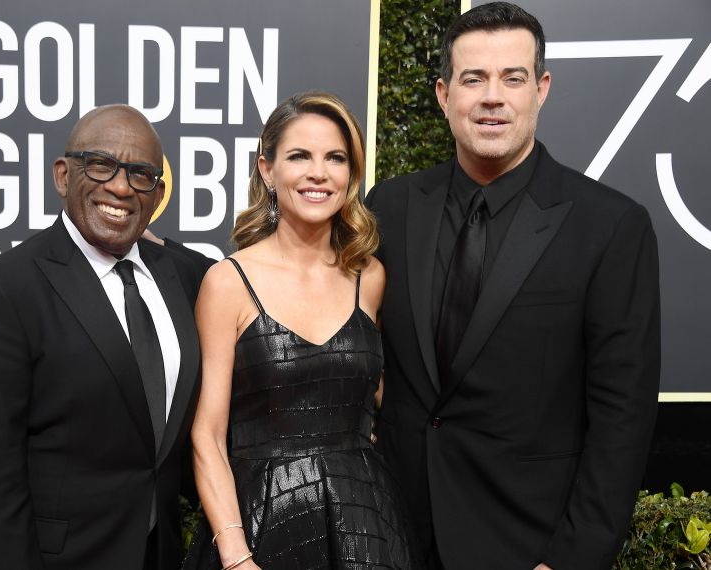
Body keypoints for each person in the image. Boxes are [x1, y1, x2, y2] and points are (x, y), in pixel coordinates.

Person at [364, 3, 660, 569]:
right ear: (444, 95)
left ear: (541, 89)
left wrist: (569, 561)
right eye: (473, 78)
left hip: (527, 547)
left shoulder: (610, 226)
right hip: (395, 540)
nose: (492, 97)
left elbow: (622, 421)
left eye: (513, 78)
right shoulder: (392, 207)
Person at [0, 104, 210, 570]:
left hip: (161, 554)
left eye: (141, 174)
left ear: (158, 193)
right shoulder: (0, 290)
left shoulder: (188, 277)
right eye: (101, 165)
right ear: (63, 175)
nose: (121, 187)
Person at [183, 91, 421, 570]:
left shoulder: (369, 276)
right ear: (267, 170)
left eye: (335, 158)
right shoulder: (228, 282)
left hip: (366, 524)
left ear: (350, 175)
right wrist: (234, 554)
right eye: (299, 156)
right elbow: (207, 435)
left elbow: (386, 398)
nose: (319, 173)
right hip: (262, 524)